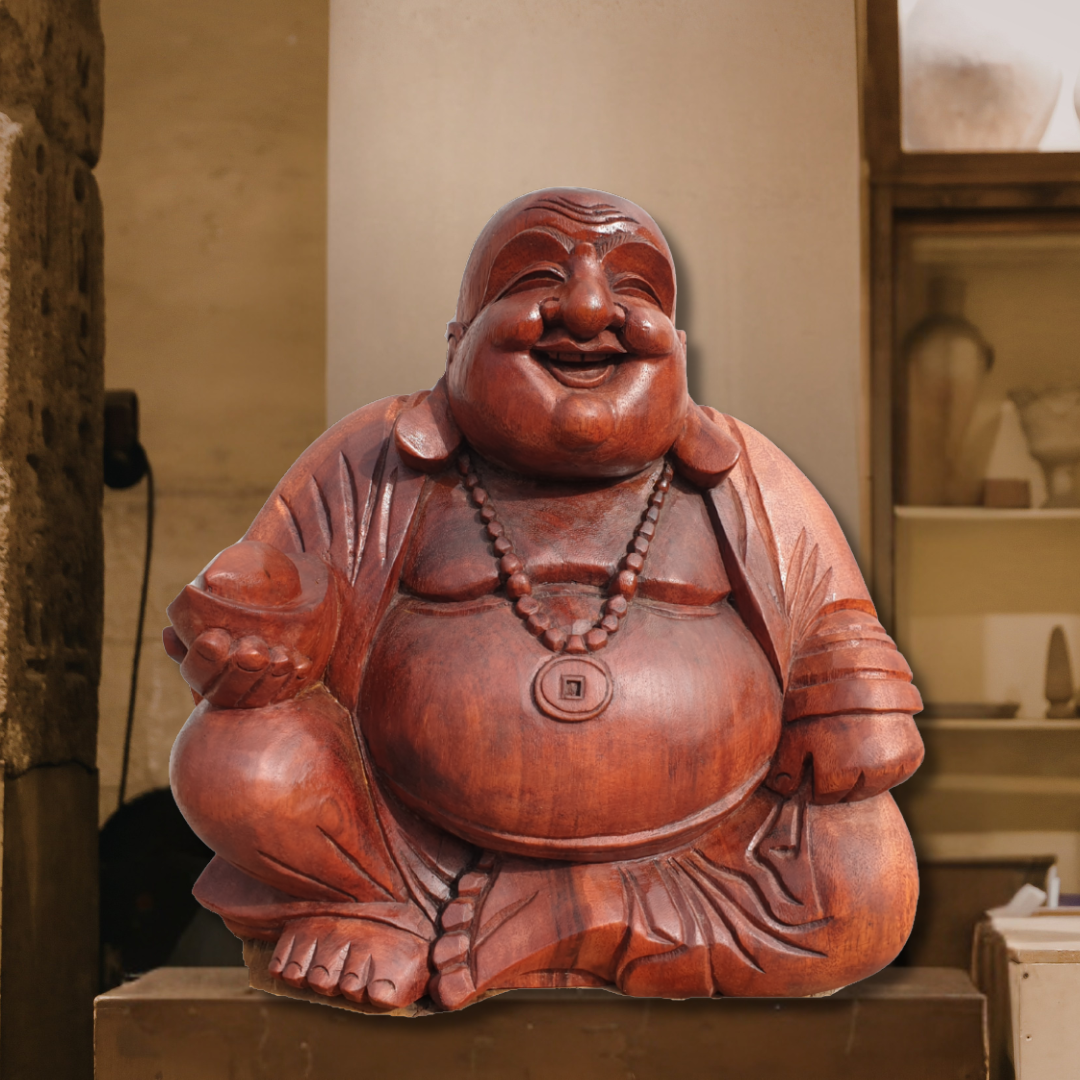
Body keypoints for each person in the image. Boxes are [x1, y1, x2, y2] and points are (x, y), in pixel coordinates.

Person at [167, 188, 923, 1011]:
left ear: (677, 344)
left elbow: (833, 619)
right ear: (458, 340)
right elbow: (272, 590)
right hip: (407, 849)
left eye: (634, 290)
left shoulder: (742, 468)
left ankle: (597, 911)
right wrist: (250, 634)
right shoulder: (376, 457)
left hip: (705, 852)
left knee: (863, 887)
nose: (590, 308)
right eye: (535, 278)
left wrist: (849, 703)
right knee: (238, 758)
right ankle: (372, 908)